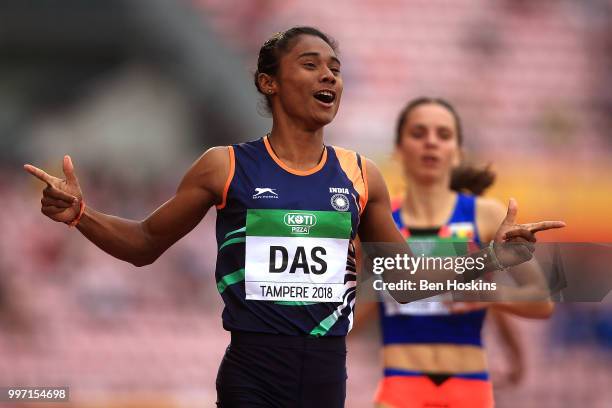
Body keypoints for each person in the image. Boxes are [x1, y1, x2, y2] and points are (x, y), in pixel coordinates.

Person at [23, 27, 563, 407]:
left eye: (335, 68)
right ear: (269, 83)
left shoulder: (360, 175)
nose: (329, 75)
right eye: (311, 64)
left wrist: (489, 259)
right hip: (251, 372)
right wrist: (81, 215)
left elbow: (402, 281)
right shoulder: (224, 166)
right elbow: (143, 244)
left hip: (326, 375)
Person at [355, 97, 554, 408]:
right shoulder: (378, 222)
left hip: (469, 386)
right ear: (397, 149)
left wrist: (485, 294)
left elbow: (541, 300)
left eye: (444, 135)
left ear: (458, 152)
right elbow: (353, 313)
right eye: (418, 133)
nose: (431, 142)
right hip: (400, 383)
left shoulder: (486, 215)